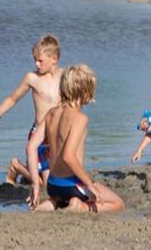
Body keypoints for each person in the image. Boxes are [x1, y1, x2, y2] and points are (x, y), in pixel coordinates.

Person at [27, 64, 124, 213]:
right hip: (72, 185)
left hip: (52, 185)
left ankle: (52, 203)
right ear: (85, 93)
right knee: (118, 203)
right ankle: (81, 206)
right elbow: (68, 156)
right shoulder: (80, 118)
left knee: (59, 199)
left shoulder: (51, 113)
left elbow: (31, 147)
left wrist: (35, 183)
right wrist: (90, 185)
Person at [0, 34, 64, 186]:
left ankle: (27, 173)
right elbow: (13, 98)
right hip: (39, 135)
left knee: (57, 177)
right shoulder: (32, 78)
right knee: (45, 184)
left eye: (40, 61)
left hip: (57, 134)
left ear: (54, 59)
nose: (36, 64)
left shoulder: (64, 77)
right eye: (34, 60)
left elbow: (76, 93)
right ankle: (16, 166)